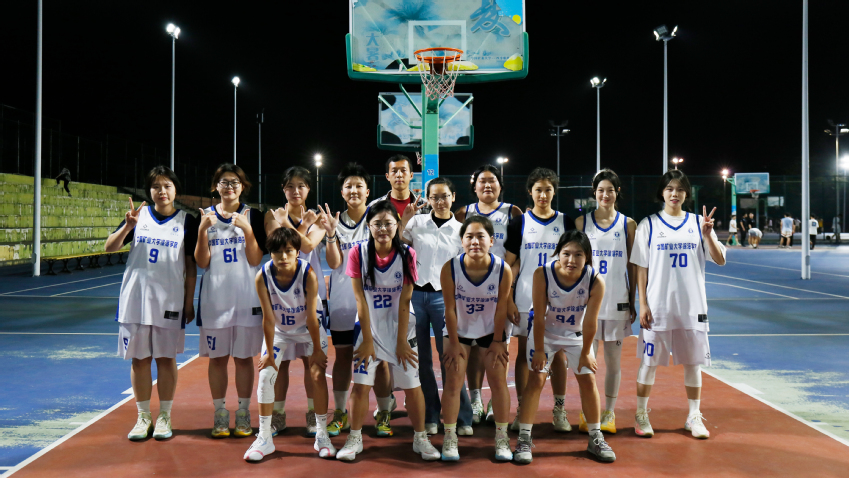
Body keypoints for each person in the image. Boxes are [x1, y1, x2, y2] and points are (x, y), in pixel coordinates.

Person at [336, 200, 440, 461]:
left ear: (397, 225)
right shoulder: (358, 253)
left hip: (401, 327)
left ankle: (420, 438)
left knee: (412, 386)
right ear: (369, 226)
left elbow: (405, 300)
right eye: (377, 224)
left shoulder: (407, 254)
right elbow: (360, 299)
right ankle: (354, 438)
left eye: (388, 223)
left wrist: (402, 341)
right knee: (361, 386)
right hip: (369, 327)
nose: (383, 228)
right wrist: (367, 340)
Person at [630, 170, 726, 440]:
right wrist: (642, 303)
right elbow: (641, 268)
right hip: (658, 306)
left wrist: (708, 235)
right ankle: (641, 414)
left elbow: (720, 260)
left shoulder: (698, 223)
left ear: (687, 194)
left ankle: (694, 415)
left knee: (693, 364)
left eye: (680, 189)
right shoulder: (648, 225)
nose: (675, 193)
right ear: (662, 192)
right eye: (670, 188)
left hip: (692, 306)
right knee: (648, 363)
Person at [105, 166, 198, 441]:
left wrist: (189, 302)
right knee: (139, 359)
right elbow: (110, 247)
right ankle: (143, 416)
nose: (162, 191)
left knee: (166, 359)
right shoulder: (139, 216)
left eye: (167, 186)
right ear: (150, 191)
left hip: (169, 301)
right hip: (135, 299)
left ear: (175, 190)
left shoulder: (187, 221)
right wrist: (128, 226)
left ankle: (165, 416)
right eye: (156, 186)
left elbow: (191, 266)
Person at [513, 231, 615, 464]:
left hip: (575, 334)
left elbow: (590, 322)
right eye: (566, 253)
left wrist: (586, 352)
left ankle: (595, 436)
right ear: (558, 253)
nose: (571, 260)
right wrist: (540, 350)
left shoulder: (595, 280)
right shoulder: (543, 274)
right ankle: (524, 438)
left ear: (587, 257)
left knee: (588, 378)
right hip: (545, 332)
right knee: (536, 378)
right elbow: (539, 316)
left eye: (578, 255)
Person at [243, 228, 333, 461]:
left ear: (297, 252)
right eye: (277, 252)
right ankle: (264, 438)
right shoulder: (262, 276)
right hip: (279, 331)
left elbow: (312, 318)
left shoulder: (307, 273)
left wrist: (316, 350)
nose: (283, 256)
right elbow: (268, 318)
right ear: (270, 253)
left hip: (308, 329)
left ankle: (322, 434)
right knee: (266, 374)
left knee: (317, 374)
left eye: (289, 251)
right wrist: (269, 354)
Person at [195, 164, 266, 438]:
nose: (229, 187)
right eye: (224, 182)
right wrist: (202, 232)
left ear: (242, 186)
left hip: (247, 300)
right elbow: (202, 262)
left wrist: (248, 230)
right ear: (216, 186)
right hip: (215, 301)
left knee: (244, 359)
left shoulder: (253, 215)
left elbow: (256, 258)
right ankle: (220, 413)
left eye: (234, 182)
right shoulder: (205, 216)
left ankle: (244, 413)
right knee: (217, 360)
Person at [504, 168, 575, 432]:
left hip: (559, 300)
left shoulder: (566, 222)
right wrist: (509, 299)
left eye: (547, 190)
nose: (543, 195)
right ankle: (523, 409)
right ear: (530, 192)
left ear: (554, 192)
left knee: (558, 355)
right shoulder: (519, 223)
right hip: (525, 298)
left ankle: (559, 409)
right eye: (538, 190)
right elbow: (510, 265)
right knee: (524, 354)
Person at [399, 177, 471, 436]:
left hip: (445, 298)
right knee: (421, 359)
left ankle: (462, 415)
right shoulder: (416, 223)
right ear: (428, 199)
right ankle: (430, 413)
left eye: (444, 196)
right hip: (415, 295)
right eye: (434, 197)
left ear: (453, 196)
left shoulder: (461, 230)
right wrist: (403, 221)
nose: (440, 202)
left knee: (450, 356)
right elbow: (397, 245)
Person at [454, 164, 523, 424]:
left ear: (500, 185)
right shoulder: (463, 213)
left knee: (499, 346)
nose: (487, 185)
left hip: (500, 288)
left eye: (492, 180)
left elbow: (518, 255)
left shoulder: (512, 212)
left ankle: (496, 399)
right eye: (482, 181)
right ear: (474, 186)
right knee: (473, 347)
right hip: (470, 289)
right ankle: (475, 399)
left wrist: (509, 291)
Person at [440, 216, 514, 461]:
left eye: (480, 236)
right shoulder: (450, 268)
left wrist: (498, 340)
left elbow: (501, 307)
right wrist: (452, 342)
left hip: (490, 331)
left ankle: (502, 438)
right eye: (469, 237)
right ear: (461, 241)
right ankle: (450, 438)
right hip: (458, 330)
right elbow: (449, 309)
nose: (474, 241)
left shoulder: (502, 269)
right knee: (453, 383)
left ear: (491, 241)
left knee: (498, 383)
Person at [265, 166, 327, 437]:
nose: (295, 191)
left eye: (301, 185)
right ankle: (278, 414)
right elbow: (276, 245)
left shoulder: (318, 218)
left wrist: (289, 225)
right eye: (290, 186)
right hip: (280, 296)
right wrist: (300, 226)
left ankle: (313, 413)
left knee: (311, 360)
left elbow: (308, 246)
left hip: (310, 295)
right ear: (283, 189)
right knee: (280, 362)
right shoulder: (271, 216)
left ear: (308, 189)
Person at [573, 169, 636, 434]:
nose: (605, 194)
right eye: (601, 190)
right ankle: (589, 411)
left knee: (613, 362)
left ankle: (609, 413)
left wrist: (633, 298)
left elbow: (633, 265)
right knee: (586, 359)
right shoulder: (581, 222)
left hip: (617, 300)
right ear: (594, 193)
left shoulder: (628, 224)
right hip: (587, 303)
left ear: (617, 192)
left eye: (610, 190)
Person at [316, 163, 372, 438]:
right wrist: (330, 234)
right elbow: (334, 263)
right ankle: (340, 413)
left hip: (373, 299)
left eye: (359, 185)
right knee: (342, 357)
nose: (354, 190)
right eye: (348, 186)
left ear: (367, 191)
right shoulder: (335, 223)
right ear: (341, 192)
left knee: (377, 358)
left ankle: (383, 410)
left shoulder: (378, 218)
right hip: (342, 299)